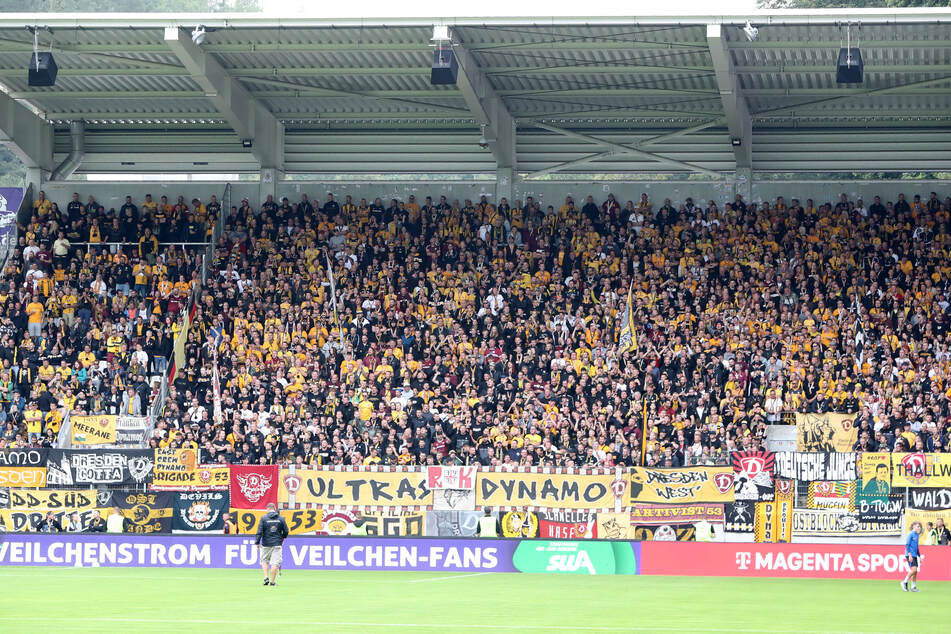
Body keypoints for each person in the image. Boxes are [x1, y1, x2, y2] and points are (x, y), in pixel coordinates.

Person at [254, 502, 289, 587]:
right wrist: (282, 538)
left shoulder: (264, 518)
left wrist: (257, 542)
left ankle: (266, 577)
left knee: (264, 560)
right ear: (274, 508)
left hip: (266, 543)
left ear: (267, 509)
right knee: (275, 563)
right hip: (277, 543)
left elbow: (259, 531)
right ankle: (272, 582)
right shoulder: (281, 518)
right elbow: (286, 531)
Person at [902, 521, 923, 592]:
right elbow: (907, 544)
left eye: (919, 527)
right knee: (914, 570)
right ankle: (904, 582)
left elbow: (916, 547)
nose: (919, 528)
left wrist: (919, 557)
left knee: (915, 571)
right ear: (913, 526)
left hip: (914, 555)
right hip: (910, 554)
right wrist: (910, 554)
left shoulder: (917, 535)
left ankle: (913, 587)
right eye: (918, 526)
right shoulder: (910, 534)